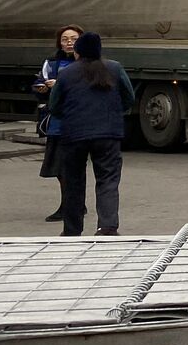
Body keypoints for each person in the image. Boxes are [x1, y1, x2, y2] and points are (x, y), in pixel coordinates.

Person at [48, 32, 135, 237]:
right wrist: (114, 112)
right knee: (108, 180)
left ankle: (72, 230)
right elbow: (129, 97)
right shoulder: (114, 68)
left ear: (77, 51)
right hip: (108, 134)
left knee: (74, 182)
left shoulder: (67, 73)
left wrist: (69, 116)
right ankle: (107, 227)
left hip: (73, 134)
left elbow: (54, 105)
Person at [33, 24, 84, 223]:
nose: (69, 42)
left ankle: (70, 205)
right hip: (55, 123)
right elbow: (39, 82)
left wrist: (61, 85)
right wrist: (40, 88)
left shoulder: (86, 64)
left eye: (73, 38)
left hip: (76, 123)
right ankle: (74, 202)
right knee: (58, 168)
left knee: (70, 167)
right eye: (65, 39)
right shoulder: (52, 62)